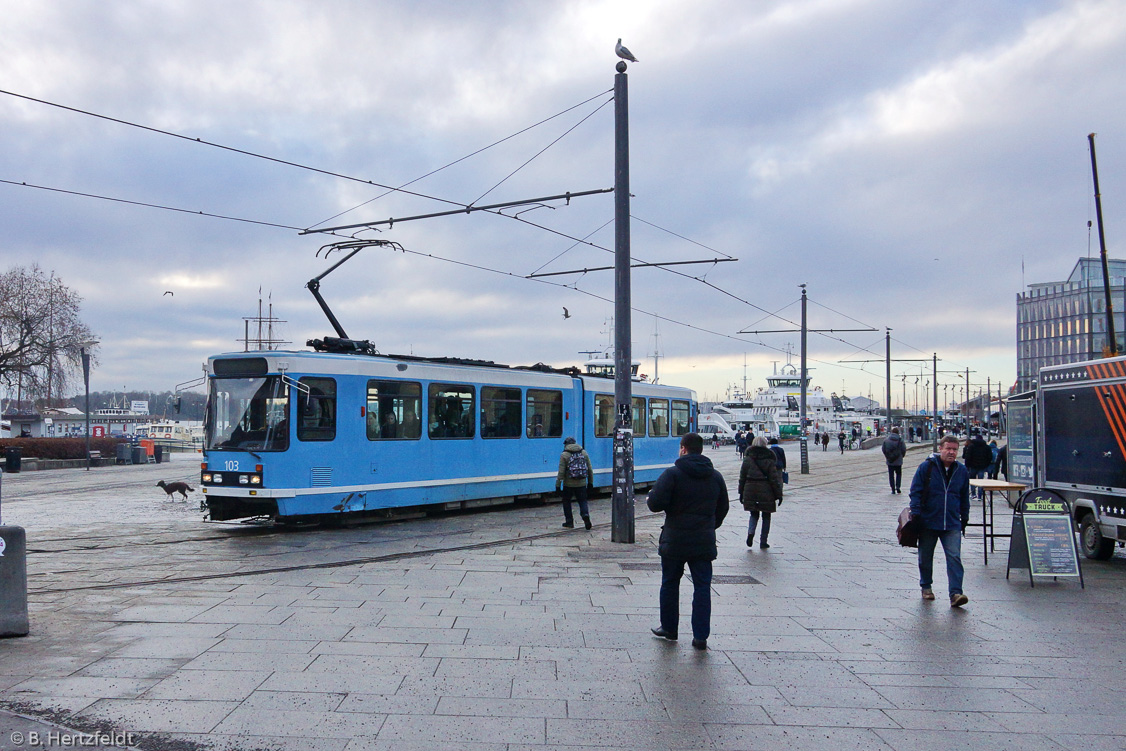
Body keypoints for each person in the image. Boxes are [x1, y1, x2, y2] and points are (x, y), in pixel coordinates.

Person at [646, 432, 729, 650]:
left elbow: (654, 504)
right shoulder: (715, 476)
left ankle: (670, 629)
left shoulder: (672, 474)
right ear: (701, 449)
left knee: (670, 583)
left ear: (683, 448)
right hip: (703, 541)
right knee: (702, 586)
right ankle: (700, 636)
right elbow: (724, 508)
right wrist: (709, 526)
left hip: (675, 540)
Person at [909, 434, 971, 608]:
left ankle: (956, 593)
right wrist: (916, 513)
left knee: (954, 557)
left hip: (952, 522)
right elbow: (915, 491)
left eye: (954, 449)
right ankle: (926, 586)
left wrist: (964, 517)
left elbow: (964, 496)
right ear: (940, 449)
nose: (951, 452)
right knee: (925, 557)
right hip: (928, 521)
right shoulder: (926, 467)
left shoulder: (961, 471)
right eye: (948, 449)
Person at [740, 436, 783, 549]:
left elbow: (742, 477)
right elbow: (774, 479)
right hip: (766, 489)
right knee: (766, 515)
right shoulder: (769, 459)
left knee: (753, 514)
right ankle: (763, 541)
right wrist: (779, 494)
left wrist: (741, 493)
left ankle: (750, 533)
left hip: (750, 488)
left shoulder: (748, 459)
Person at [555, 437, 594, 529]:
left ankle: (569, 522)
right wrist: (590, 483)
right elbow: (590, 469)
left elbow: (561, 472)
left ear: (566, 444)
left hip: (568, 484)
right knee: (582, 501)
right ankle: (585, 515)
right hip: (582, 483)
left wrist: (557, 486)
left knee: (566, 501)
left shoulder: (564, 455)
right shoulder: (583, 452)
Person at [962, 430, 993, 499]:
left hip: (972, 466)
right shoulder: (987, 447)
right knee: (980, 481)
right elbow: (990, 457)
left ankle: (973, 494)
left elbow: (967, 457)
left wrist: (967, 465)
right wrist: (986, 464)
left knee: (972, 480)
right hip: (982, 467)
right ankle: (980, 495)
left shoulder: (971, 446)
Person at [882, 426, 907, 494]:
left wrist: (887, 456)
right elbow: (903, 449)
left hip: (890, 461)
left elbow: (883, 449)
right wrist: (902, 456)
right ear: (898, 433)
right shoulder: (900, 440)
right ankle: (898, 487)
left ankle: (893, 489)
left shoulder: (886, 440)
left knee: (891, 475)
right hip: (898, 461)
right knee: (898, 474)